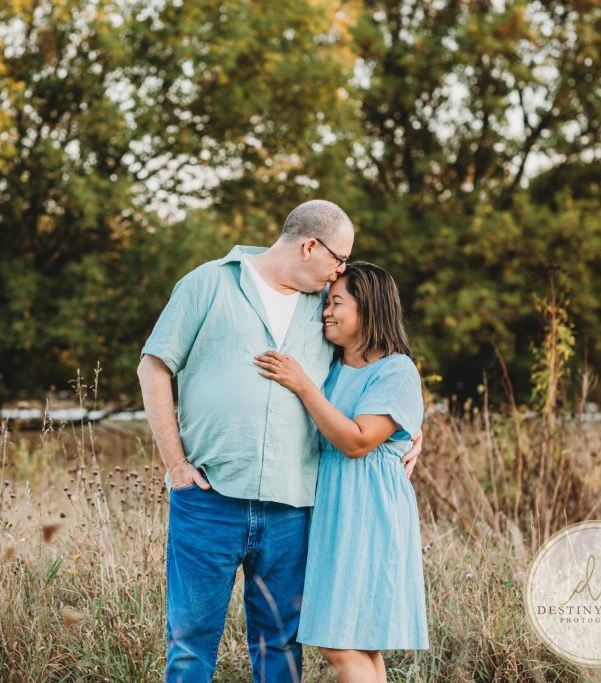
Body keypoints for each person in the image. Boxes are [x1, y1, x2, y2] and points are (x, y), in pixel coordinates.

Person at [136, 200, 422, 683]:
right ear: (310, 245)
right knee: (189, 643)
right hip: (210, 497)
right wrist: (177, 465)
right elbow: (154, 366)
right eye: (338, 259)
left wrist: (411, 430)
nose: (341, 271)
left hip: (295, 506)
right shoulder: (208, 283)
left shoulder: (324, 306)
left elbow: (379, 363)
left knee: (280, 647)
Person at [252, 262, 429, 683]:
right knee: (359, 640)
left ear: (368, 307)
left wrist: (303, 385)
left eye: (336, 302)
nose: (325, 312)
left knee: (339, 642)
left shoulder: (396, 369)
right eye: (325, 303)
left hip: (369, 511)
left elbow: (356, 441)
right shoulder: (331, 365)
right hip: (335, 507)